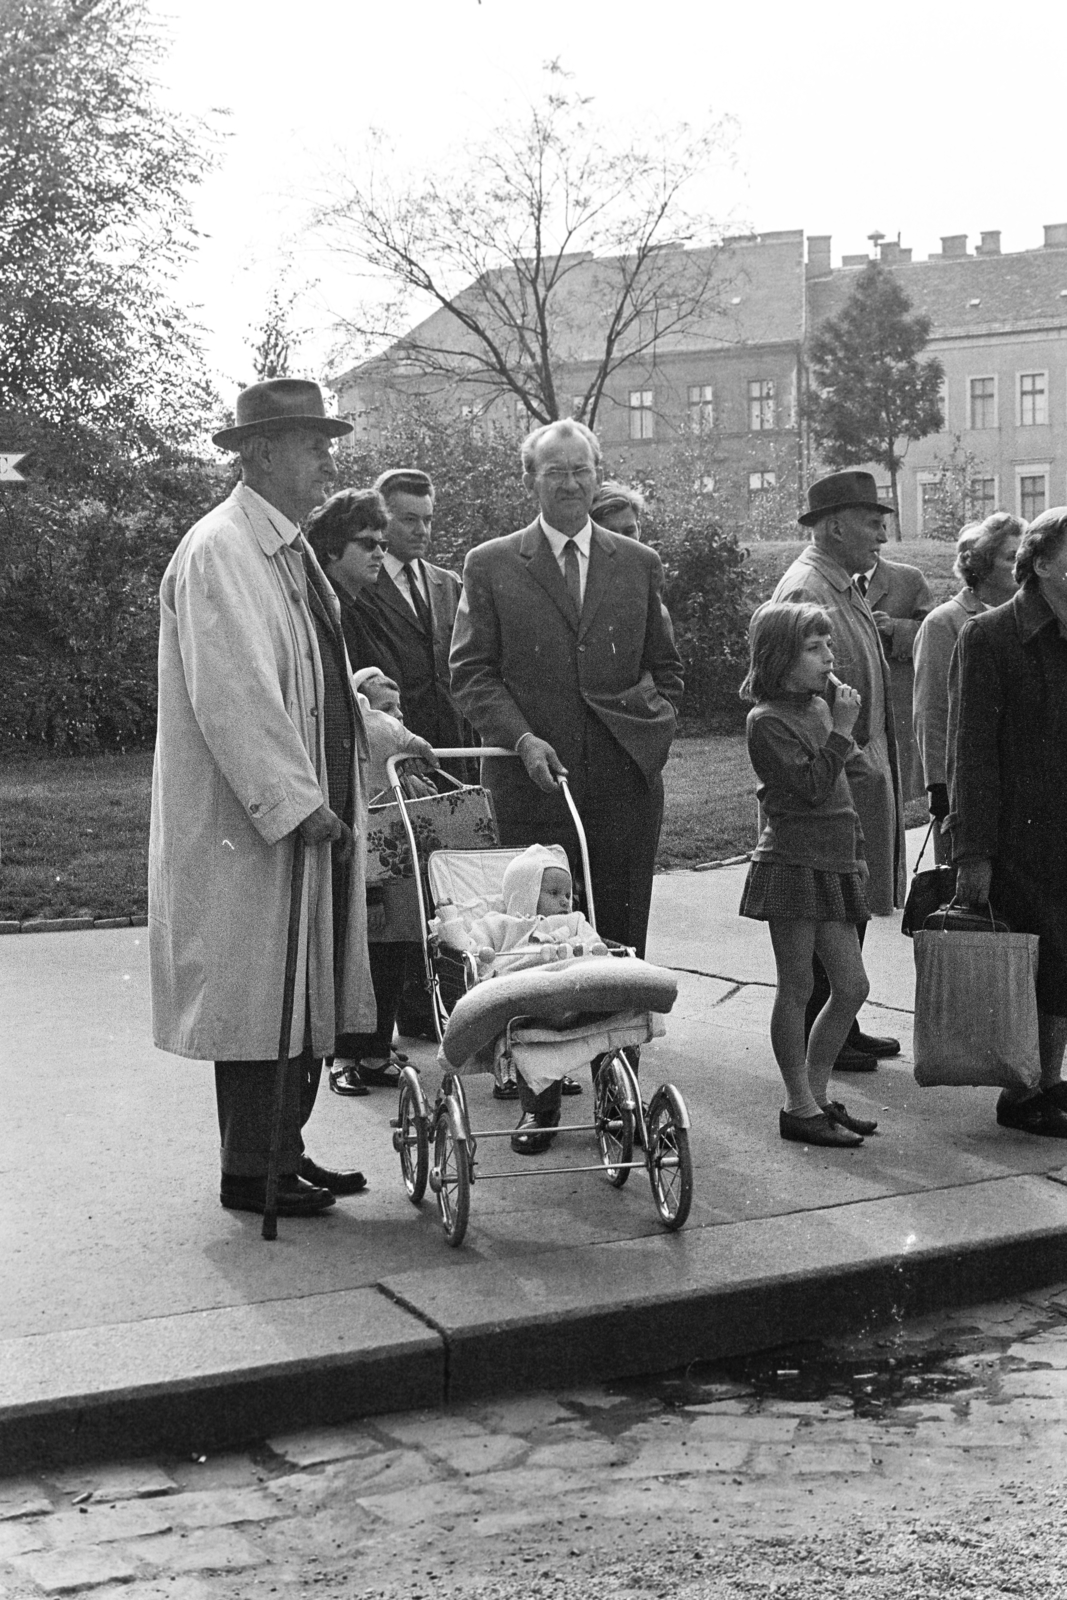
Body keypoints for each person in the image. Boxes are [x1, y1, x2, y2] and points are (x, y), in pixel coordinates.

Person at [149, 378, 373, 1217]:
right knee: (259, 997)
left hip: (296, 814)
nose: (325, 458)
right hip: (254, 825)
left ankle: (283, 1151)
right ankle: (253, 1170)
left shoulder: (282, 547)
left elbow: (308, 675)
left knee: (298, 990)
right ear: (261, 452)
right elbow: (235, 693)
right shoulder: (221, 550)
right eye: (311, 443)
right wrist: (294, 801)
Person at [449, 419, 684, 965]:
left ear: (598, 476)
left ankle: (616, 1049)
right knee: (533, 944)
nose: (571, 483)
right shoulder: (490, 564)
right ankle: (548, 1050)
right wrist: (523, 738)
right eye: (556, 472)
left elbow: (666, 668)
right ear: (531, 479)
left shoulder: (638, 563)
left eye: (582, 470)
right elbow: (470, 672)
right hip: (528, 784)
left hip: (625, 785)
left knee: (622, 931)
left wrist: (648, 739)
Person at [771, 470, 905, 1072]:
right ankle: (826, 1033)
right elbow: (798, 696)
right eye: (872, 523)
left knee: (850, 900)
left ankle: (840, 1026)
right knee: (834, 903)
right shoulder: (808, 588)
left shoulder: (841, 583)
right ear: (834, 526)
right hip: (835, 778)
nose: (882, 533)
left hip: (858, 771)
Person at [948, 507, 1067, 1139]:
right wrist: (974, 852)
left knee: (1064, 964)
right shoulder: (990, 635)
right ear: (1043, 563)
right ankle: (1021, 1093)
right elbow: (973, 751)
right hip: (1021, 836)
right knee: (1033, 964)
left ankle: (1051, 1081)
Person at [739, 603, 874, 1148]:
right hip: (793, 864)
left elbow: (843, 791)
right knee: (797, 985)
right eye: (814, 648)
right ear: (779, 658)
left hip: (832, 863)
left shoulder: (818, 708)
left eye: (829, 646)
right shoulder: (766, 721)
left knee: (851, 986)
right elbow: (812, 787)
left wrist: (858, 848)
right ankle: (797, 1104)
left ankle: (816, 1097)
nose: (828, 658)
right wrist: (840, 731)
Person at [913, 513, 1023, 863]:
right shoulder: (946, 622)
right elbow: (931, 712)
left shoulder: (1027, 617)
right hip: (961, 790)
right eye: (1010, 557)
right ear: (983, 565)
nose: (1022, 565)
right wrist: (940, 790)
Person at [346, 468, 467, 752]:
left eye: (428, 520)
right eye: (410, 520)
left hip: (457, 754)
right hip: (395, 758)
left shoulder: (449, 585)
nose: (422, 531)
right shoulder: (359, 588)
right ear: (382, 519)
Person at [440, 843, 607, 980]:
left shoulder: (575, 920)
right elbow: (470, 956)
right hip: (519, 980)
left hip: (571, 978)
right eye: (554, 893)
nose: (565, 901)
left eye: (567, 894)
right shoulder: (497, 923)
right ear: (525, 894)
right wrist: (449, 920)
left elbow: (599, 953)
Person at [303, 486, 402, 685]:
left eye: (382, 545)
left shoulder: (362, 608)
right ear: (332, 547)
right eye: (368, 544)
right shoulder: (326, 614)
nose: (380, 554)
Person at [861, 551, 933, 801]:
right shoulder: (830, 582)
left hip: (897, 700)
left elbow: (931, 634)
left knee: (896, 785)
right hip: (853, 699)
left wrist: (896, 628)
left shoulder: (909, 578)